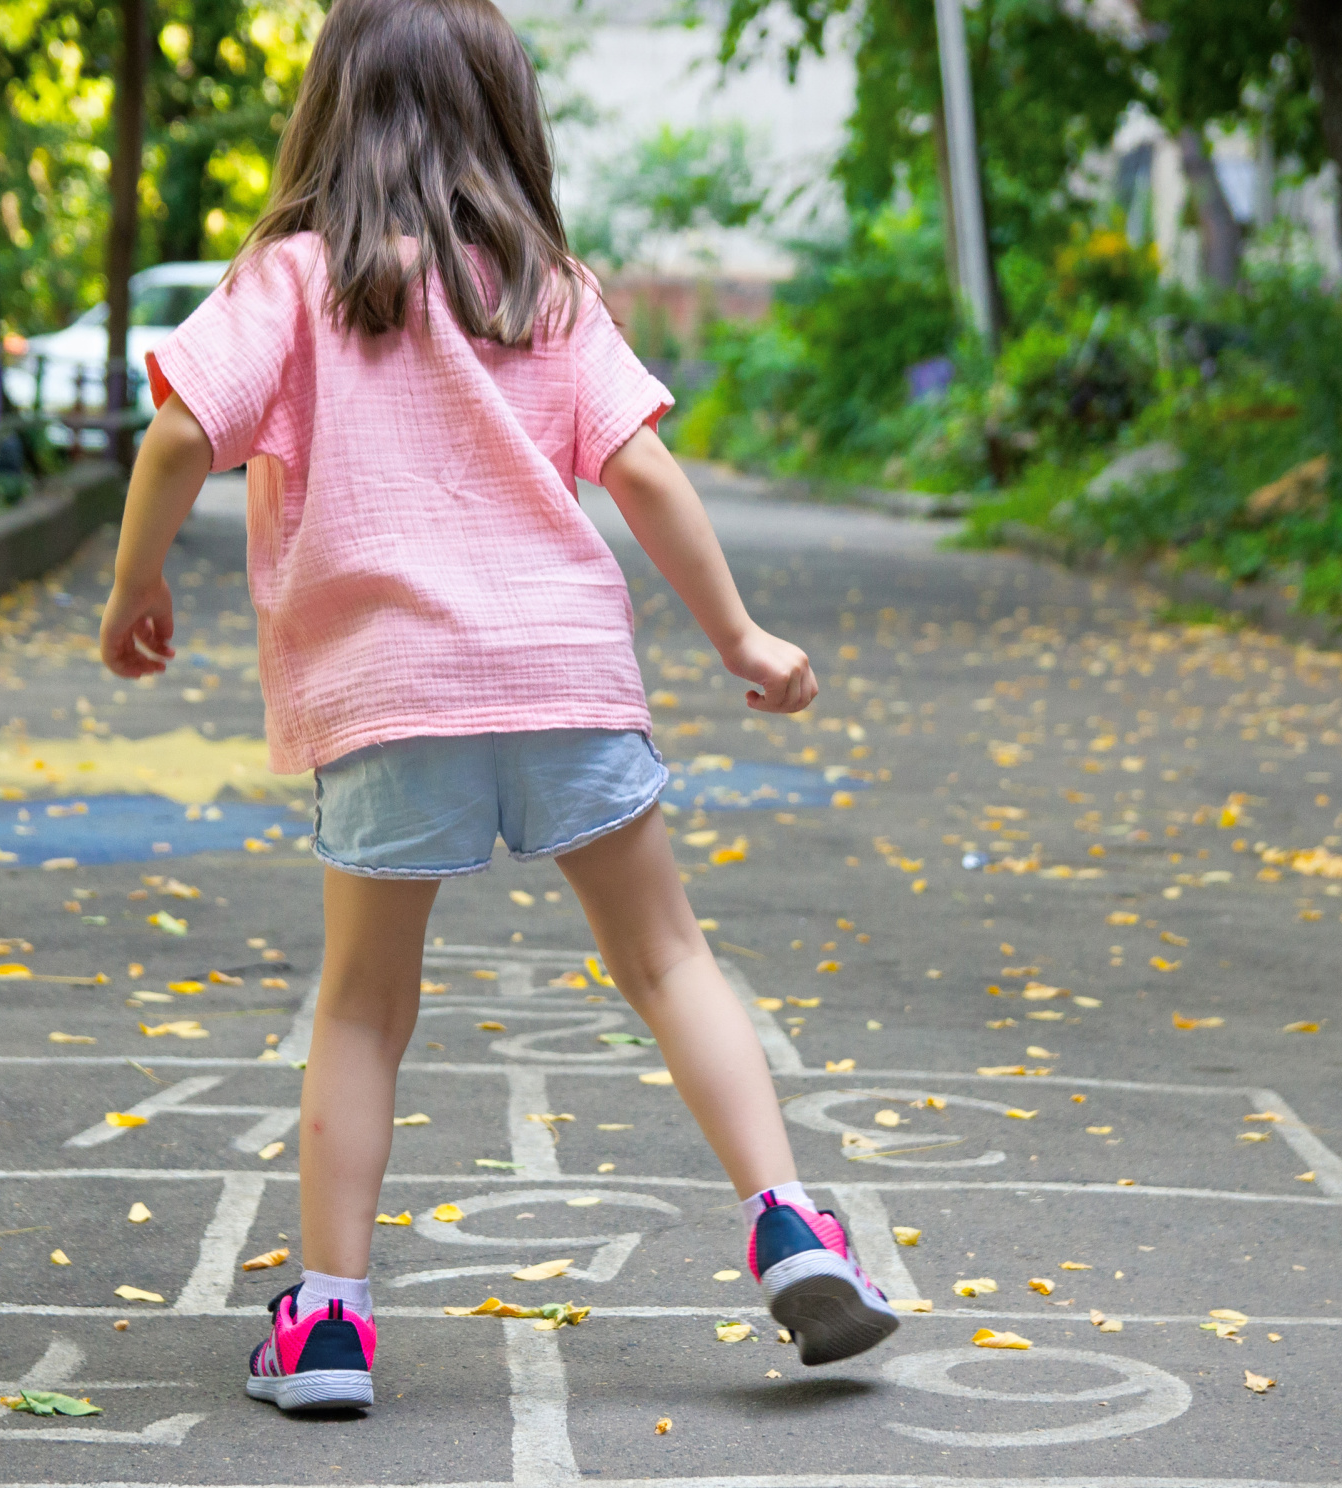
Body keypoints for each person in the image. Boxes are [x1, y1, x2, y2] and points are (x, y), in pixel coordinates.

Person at [96, 0, 896, 1413]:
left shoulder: (293, 278)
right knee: (667, 963)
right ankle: (789, 1224)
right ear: (502, 116)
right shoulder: (545, 285)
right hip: (565, 676)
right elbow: (642, 473)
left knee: (363, 1005)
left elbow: (177, 429)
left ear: (330, 112)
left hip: (391, 694)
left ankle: (327, 1325)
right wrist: (741, 635)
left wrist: (135, 587)